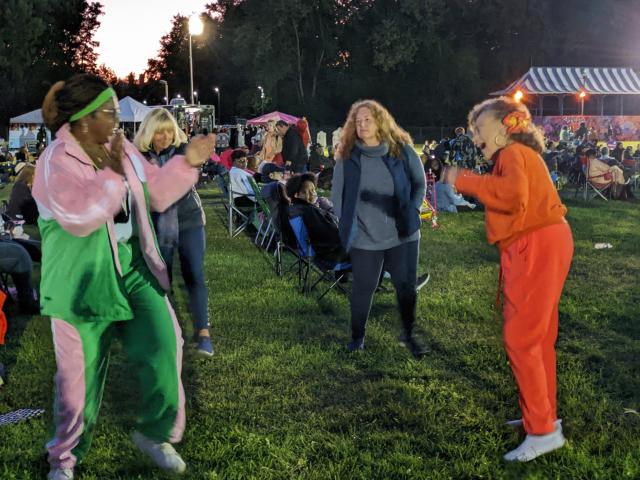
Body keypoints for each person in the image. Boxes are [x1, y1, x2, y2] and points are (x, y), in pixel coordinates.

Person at [33, 74, 214, 480]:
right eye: (108, 111)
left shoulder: (122, 147)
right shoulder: (55, 161)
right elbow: (78, 216)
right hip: (80, 277)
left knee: (165, 341)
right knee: (79, 380)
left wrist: (188, 163)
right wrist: (112, 177)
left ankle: (155, 432)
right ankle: (64, 460)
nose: (117, 118)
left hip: (130, 266)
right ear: (81, 119)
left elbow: (155, 192)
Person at [443, 96, 573, 462]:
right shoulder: (514, 155)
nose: (474, 137)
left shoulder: (513, 154)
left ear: (505, 128)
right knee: (539, 337)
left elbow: (513, 197)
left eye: (479, 129)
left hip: (536, 243)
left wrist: (462, 179)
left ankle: (543, 431)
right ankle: (543, 417)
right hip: (543, 240)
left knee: (522, 338)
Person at [331, 100, 428, 357]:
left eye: (367, 120)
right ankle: (357, 338)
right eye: (357, 121)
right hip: (365, 237)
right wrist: (347, 225)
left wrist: (413, 209)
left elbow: (420, 184)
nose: (361, 125)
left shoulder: (402, 150)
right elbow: (337, 196)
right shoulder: (348, 156)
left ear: (380, 122)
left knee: (405, 287)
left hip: (402, 235)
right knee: (363, 289)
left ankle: (409, 335)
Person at [134, 108, 214, 357]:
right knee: (160, 276)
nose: (166, 137)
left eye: (169, 131)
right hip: (156, 223)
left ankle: (203, 332)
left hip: (189, 219)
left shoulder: (182, 152)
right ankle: (162, 330)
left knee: (194, 273)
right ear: (149, 133)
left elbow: (192, 172)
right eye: (159, 132)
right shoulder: (139, 158)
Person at [0, 240, 39, 314]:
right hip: (15, 253)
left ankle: (27, 307)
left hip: (20, 260)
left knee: (25, 292)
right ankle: (5, 303)